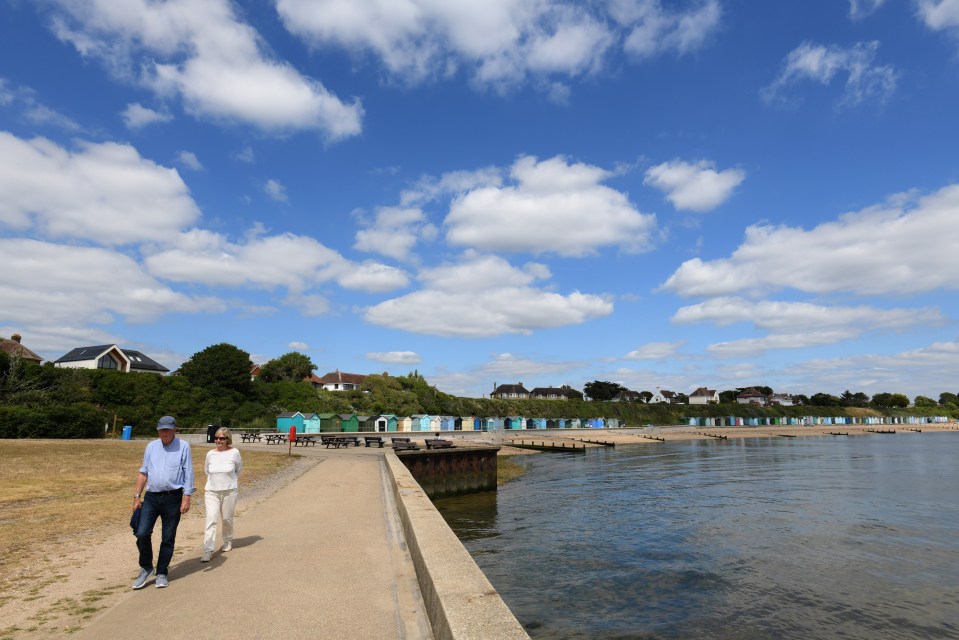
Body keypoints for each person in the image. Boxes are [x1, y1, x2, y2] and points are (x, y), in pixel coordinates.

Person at [131, 415, 195, 589]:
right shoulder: (151, 446)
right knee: (142, 533)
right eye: (161, 429)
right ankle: (146, 567)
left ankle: (161, 572)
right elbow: (143, 472)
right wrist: (137, 496)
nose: (164, 432)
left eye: (168, 429)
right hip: (151, 496)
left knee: (168, 537)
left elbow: (188, 473)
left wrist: (186, 497)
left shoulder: (183, 446)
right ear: (158, 430)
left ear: (175, 430)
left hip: (173, 497)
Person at [202, 427, 242, 562]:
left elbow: (238, 470)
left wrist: (229, 482)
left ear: (227, 439)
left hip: (229, 490)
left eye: (222, 438)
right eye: (216, 438)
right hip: (212, 491)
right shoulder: (210, 454)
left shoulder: (234, 452)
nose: (218, 440)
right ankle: (208, 550)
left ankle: (227, 540)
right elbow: (207, 471)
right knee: (211, 519)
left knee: (227, 519)